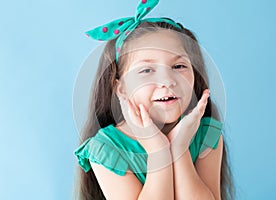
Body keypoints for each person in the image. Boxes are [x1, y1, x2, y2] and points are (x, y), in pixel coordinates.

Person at [74, 0, 234, 199]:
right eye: (147, 70)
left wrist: (179, 150)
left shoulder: (205, 134)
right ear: (121, 88)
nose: (167, 81)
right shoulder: (107, 149)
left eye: (179, 67)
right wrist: (157, 150)